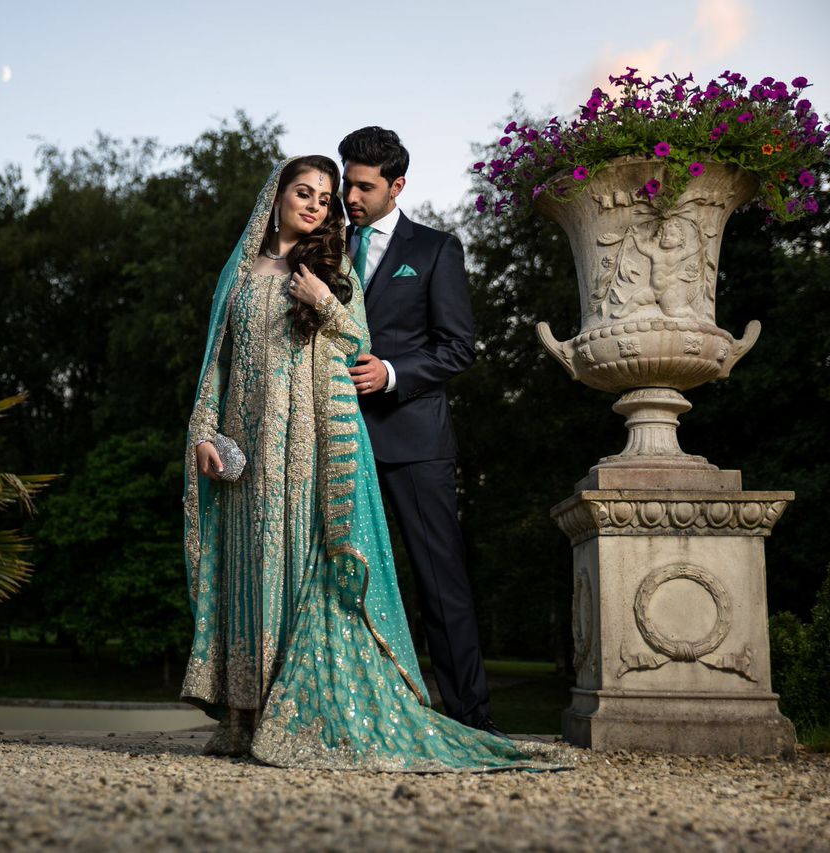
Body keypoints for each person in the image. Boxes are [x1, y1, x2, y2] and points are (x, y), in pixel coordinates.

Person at [181, 155, 552, 771]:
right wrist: (204, 431)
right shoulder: (242, 272)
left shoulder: (354, 261)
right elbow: (213, 363)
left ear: (392, 186)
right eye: (311, 192)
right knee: (256, 567)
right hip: (251, 449)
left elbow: (374, 341)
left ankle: (461, 712)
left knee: (405, 578)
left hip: (332, 439)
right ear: (277, 195)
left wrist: (328, 305)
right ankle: (250, 713)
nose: (323, 204)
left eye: (333, 195)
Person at [338, 126, 499, 735]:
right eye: (347, 182)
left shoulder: (433, 250)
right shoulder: (326, 249)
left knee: (440, 585)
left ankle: (472, 719)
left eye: (363, 186)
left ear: (396, 186)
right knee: (339, 583)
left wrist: (393, 374)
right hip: (337, 441)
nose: (350, 196)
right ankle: (358, 715)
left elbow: (458, 348)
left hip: (413, 444)